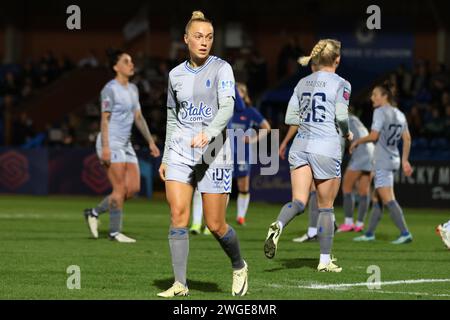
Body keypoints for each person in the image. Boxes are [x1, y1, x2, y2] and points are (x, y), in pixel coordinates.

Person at [157, 11, 248, 298]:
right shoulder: (175, 75)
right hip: (180, 150)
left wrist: (208, 134)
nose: (204, 42)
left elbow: (227, 109)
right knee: (178, 215)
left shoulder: (223, 69)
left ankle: (239, 265)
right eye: (198, 36)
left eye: (209, 37)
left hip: (215, 150)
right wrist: (164, 156)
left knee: (215, 224)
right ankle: (180, 284)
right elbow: (172, 117)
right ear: (186, 39)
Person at [264, 39, 353, 272]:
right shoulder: (342, 83)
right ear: (337, 60)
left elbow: (289, 118)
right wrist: (347, 133)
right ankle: (324, 261)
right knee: (326, 207)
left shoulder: (302, 82)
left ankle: (279, 224)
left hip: (300, 146)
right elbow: (342, 117)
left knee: (299, 202)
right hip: (326, 147)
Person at [84, 50, 160, 243]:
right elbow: (104, 119)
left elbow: (139, 118)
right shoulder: (109, 89)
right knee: (119, 189)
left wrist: (150, 141)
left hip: (126, 145)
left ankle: (94, 212)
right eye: (126, 61)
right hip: (110, 142)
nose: (131, 64)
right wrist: (106, 147)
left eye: (132, 61)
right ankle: (114, 232)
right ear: (116, 67)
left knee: (132, 189)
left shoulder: (133, 89)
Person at [351, 82, 414, 244]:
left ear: (385, 96)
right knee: (377, 198)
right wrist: (405, 160)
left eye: (375, 95)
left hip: (383, 161)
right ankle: (369, 233)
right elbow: (407, 138)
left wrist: (357, 141)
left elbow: (373, 136)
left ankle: (405, 232)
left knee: (388, 199)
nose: (372, 98)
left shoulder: (379, 112)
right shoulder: (400, 114)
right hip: (394, 159)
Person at [189, 85, 247, 235]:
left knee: (221, 187)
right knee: (198, 185)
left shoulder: (227, 88)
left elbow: (240, 107)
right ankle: (196, 223)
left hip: (222, 145)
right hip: (203, 142)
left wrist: (231, 86)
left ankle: (214, 222)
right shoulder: (202, 86)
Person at [337, 112, 374, 232]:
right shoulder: (356, 120)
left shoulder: (342, 119)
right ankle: (359, 224)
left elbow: (341, 139)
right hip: (371, 153)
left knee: (347, 188)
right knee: (364, 191)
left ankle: (348, 223)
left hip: (360, 153)